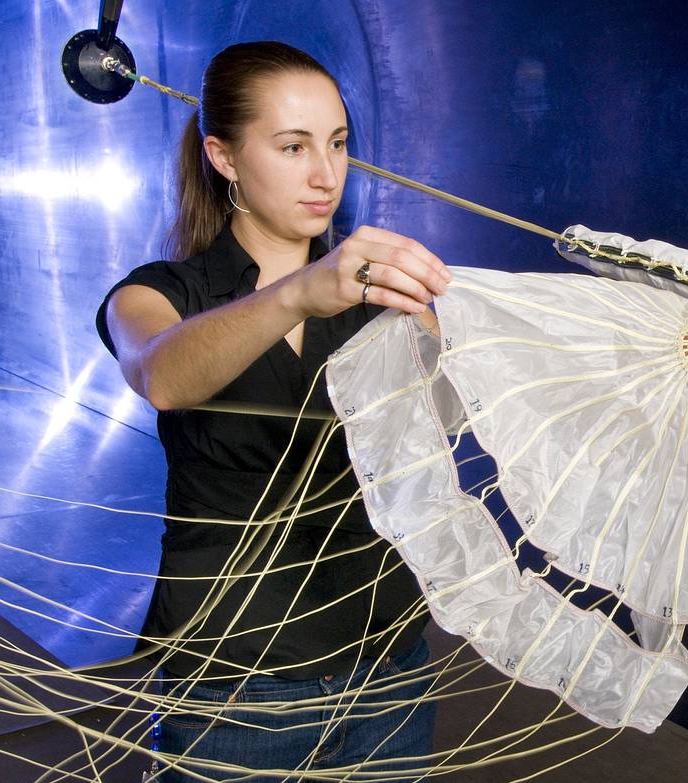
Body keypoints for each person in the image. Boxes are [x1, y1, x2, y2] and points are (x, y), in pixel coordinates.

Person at [96, 41, 450, 781]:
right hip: (237, 691)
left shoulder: (382, 297)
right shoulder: (159, 292)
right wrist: (296, 292)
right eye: (293, 147)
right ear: (223, 157)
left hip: (388, 670)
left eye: (338, 143)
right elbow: (161, 372)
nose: (326, 176)